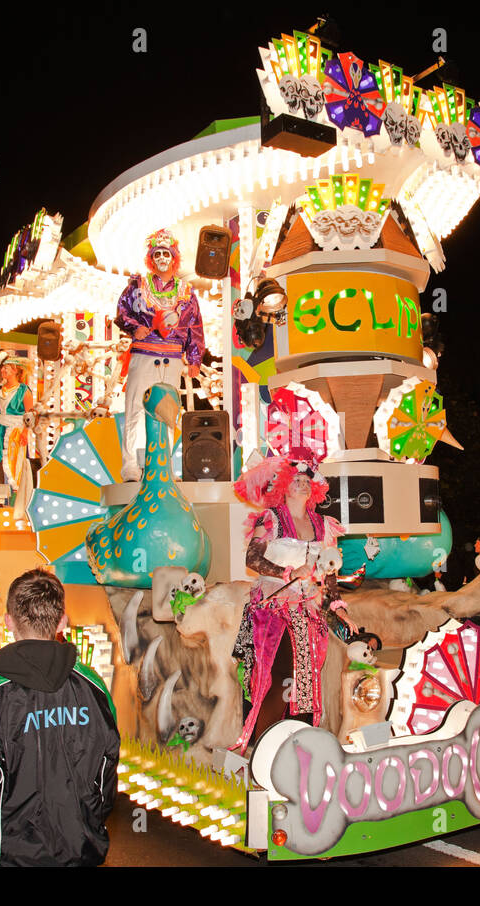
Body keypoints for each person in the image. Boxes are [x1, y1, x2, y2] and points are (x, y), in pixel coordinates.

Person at [0, 568, 120, 866]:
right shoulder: (93, 685)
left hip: (8, 853)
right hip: (81, 849)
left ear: (8, 622)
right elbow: (107, 764)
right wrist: (90, 817)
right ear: (62, 621)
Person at [230, 451, 357, 753]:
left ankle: (297, 747)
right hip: (273, 610)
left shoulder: (324, 525)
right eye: (295, 479)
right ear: (284, 485)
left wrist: (338, 608)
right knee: (279, 675)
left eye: (305, 480)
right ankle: (263, 747)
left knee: (305, 680)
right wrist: (286, 572)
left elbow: (328, 571)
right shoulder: (271, 518)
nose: (301, 484)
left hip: (307, 610)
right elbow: (252, 559)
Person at [115, 228, 204, 482]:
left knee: (168, 411)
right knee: (135, 407)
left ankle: (164, 465)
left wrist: (195, 356)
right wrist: (135, 327)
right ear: (151, 258)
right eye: (157, 253)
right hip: (144, 352)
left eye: (166, 253)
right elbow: (121, 312)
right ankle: (130, 464)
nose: (162, 258)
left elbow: (196, 325)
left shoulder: (186, 291)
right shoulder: (138, 286)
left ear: (174, 257)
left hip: (173, 356)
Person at [0, 354, 36, 508]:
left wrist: (25, 432)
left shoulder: (23, 390)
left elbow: (30, 414)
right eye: (3, 368)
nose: (3, 371)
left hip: (15, 431)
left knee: (12, 465)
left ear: (15, 370)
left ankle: (13, 504)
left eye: (6, 368)